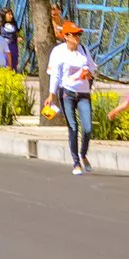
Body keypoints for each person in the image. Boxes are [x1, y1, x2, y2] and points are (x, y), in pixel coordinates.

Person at [46, 21, 97, 174]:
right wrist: (51, 95)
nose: (77, 37)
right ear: (66, 36)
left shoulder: (83, 50)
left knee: (87, 128)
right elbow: (55, 74)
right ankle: (76, 162)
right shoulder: (59, 52)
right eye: (74, 34)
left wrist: (89, 73)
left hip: (83, 93)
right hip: (67, 93)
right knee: (73, 127)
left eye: (79, 34)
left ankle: (83, 154)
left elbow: (93, 68)